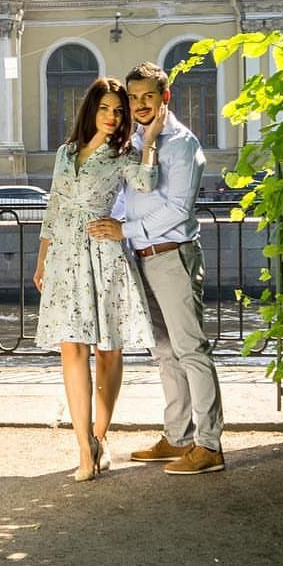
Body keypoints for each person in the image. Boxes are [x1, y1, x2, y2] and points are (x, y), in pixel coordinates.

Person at [88, 60, 225, 475]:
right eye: (134, 98)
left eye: (149, 96)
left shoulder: (181, 144)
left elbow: (178, 209)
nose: (140, 104)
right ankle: (178, 437)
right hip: (143, 257)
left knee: (190, 349)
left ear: (165, 97)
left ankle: (210, 446)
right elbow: (129, 196)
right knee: (164, 351)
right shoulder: (136, 140)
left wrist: (123, 229)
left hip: (173, 255)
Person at [32, 77, 166, 482]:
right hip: (64, 257)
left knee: (107, 349)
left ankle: (100, 437)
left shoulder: (123, 153)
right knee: (71, 350)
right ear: (91, 109)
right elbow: (54, 207)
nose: (112, 117)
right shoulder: (65, 153)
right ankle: (83, 450)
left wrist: (152, 137)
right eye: (105, 108)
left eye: (119, 111)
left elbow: (147, 182)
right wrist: (42, 260)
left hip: (102, 252)